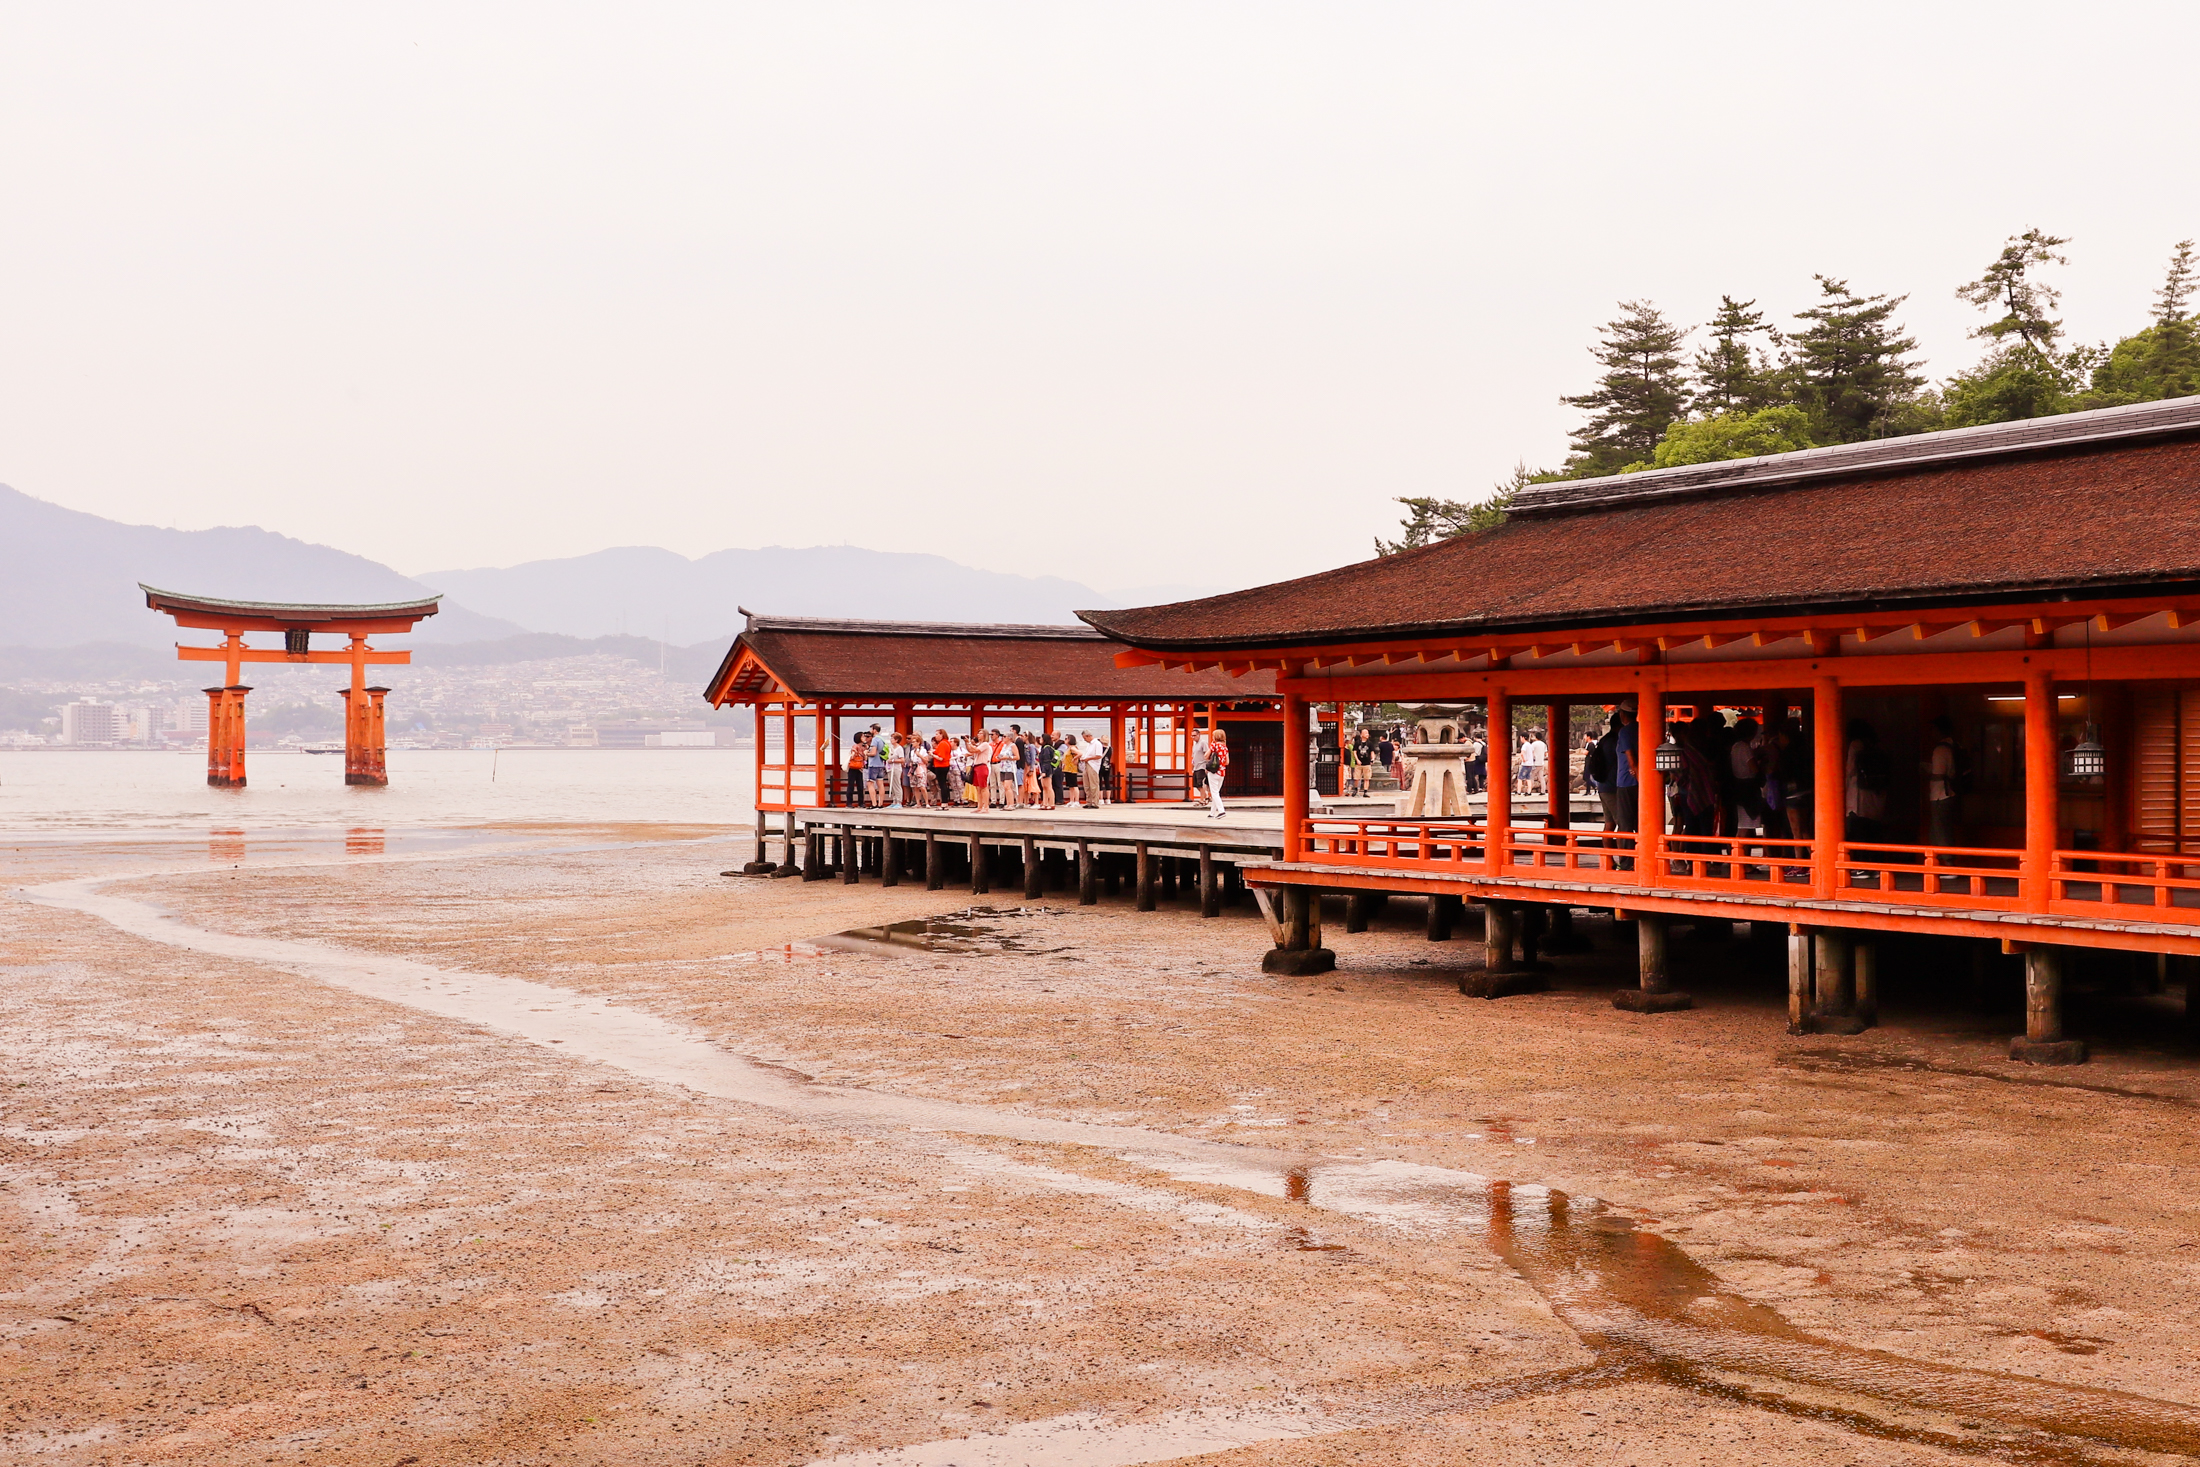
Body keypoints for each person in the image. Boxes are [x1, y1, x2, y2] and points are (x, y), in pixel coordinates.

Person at [1845, 717, 1889, 843]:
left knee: (1858, 840)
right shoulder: (1877, 747)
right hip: (1877, 800)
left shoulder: (1855, 745)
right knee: (1873, 839)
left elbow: (1850, 770)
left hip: (1858, 802)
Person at [1927, 714, 1964, 847]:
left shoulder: (1940, 749)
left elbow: (1939, 774)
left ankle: (1947, 860)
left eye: (1932, 729)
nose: (1931, 733)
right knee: (1944, 828)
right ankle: (1945, 858)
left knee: (1941, 830)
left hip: (1940, 795)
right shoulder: (1954, 746)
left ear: (1938, 730)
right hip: (1951, 793)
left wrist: (1927, 771)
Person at [1205, 729, 1231, 818]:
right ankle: (1212, 813)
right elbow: (1227, 762)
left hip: (1213, 771)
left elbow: (1206, 756)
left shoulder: (1214, 745)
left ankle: (1221, 811)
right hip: (1222, 772)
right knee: (1216, 792)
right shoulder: (1225, 747)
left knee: (1214, 792)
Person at [1077, 730, 1104, 808]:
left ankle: (1094, 802)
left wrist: (1088, 759)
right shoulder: (1089, 745)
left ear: (1088, 736)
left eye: (1085, 738)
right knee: (1086, 784)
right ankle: (1088, 801)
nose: (1084, 739)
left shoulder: (1097, 744)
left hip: (1093, 765)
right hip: (1087, 764)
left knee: (1093, 784)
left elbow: (1099, 755)